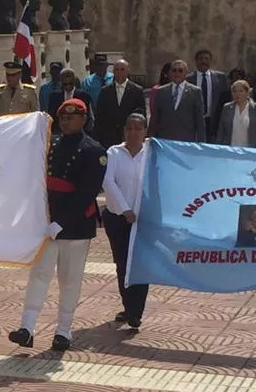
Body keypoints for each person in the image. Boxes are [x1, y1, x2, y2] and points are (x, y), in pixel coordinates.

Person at [8, 99, 105, 351]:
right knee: (39, 275)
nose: (66, 121)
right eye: (62, 117)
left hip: (74, 225)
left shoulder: (94, 150)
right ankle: (27, 328)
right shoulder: (52, 144)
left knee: (69, 280)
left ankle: (63, 330)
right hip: (47, 221)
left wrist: (62, 222)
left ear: (84, 119)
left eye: (72, 117)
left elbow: (87, 192)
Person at [102, 114, 150, 331]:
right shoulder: (114, 153)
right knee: (122, 264)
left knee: (140, 265)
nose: (133, 132)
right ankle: (127, 305)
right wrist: (125, 210)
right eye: (129, 128)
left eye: (138, 128)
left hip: (143, 221)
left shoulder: (152, 154)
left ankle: (135, 312)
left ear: (145, 131)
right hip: (117, 218)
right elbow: (108, 182)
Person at [148, 60, 206, 142]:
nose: (177, 73)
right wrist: (150, 138)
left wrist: (201, 143)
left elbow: (199, 121)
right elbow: (154, 118)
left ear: (186, 73)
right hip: (164, 140)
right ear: (170, 73)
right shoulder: (161, 91)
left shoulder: (195, 92)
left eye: (180, 70)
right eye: (174, 70)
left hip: (186, 141)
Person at [93, 58, 147, 147]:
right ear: (113, 71)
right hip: (109, 138)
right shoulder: (105, 91)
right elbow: (99, 116)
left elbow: (142, 115)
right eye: (117, 69)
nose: (119, 72)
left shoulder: (137, 90)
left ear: (127, 71)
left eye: (122, 69)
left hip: (129, 136)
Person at [218, 79, 256, 148]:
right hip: (230, 150)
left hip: (249, 151)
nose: (237, 94)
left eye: (241, 91)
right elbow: (221, 132)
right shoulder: (227, 108)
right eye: (234, 91)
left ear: (247, 93)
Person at [191, 48, 229, 140]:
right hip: (194, 122)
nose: (203, 61)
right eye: (201, 59)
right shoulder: (189, 79)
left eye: (206, 59)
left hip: (214, 121)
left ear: (211, 61)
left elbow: (226, 99)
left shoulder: (221, 78)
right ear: (196, 61)